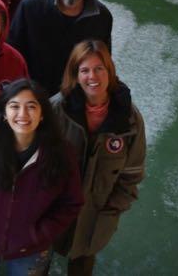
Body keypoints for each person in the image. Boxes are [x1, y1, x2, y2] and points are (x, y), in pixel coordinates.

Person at [0, 79, 83, 276]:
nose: (22, 114)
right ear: (4, 113)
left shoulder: (62, 153)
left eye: (31, 107)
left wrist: (41, 234)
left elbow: (71, 202)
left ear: (42, 115)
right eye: (14, 106)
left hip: (32, 248)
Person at [50, 40, 145, 276]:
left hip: (96, 217)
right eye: (84, 70)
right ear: (75, 74)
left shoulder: (130, 120)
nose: (92, 76)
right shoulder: (56, 110)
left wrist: (110, 211)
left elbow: (132, 173)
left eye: (99, 68)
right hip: (53, 211)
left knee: (83, 263)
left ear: (109, 71)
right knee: (38, 261)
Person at [9, 0, 113, 96]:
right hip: (30, 93)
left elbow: (102, 61)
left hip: (73, 98)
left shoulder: (102, 16)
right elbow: (12, 52)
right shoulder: (31, 5)